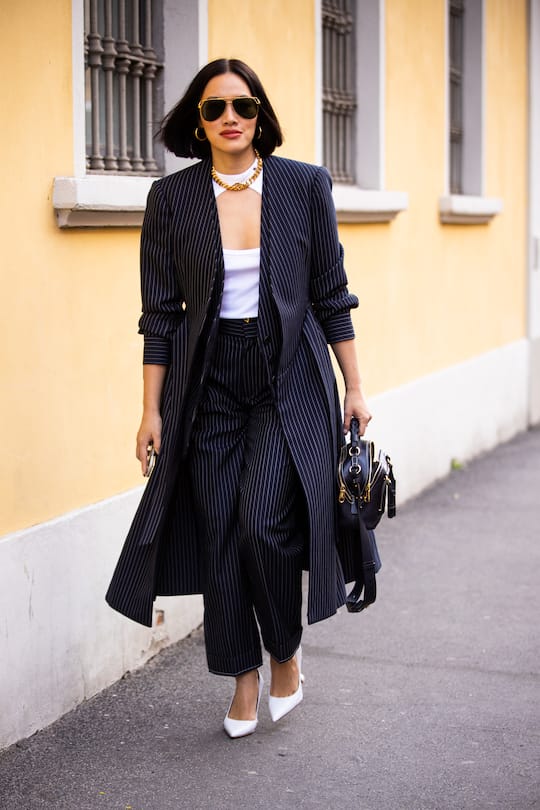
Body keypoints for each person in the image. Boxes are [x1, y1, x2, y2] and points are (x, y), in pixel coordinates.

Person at [106, 58, 372, 739]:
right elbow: (161, 314)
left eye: (244, 106)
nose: (231, 117)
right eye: (215, 107)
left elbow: (331, 295)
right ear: (196, 122)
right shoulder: (173, 200)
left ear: (261, 116)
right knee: (220, 532)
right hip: (209, 384)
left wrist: (356, 387)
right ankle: (242, 679)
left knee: (261, 524)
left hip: (289, 377)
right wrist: (150, 409)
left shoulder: (304, 186)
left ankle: (284, 652)